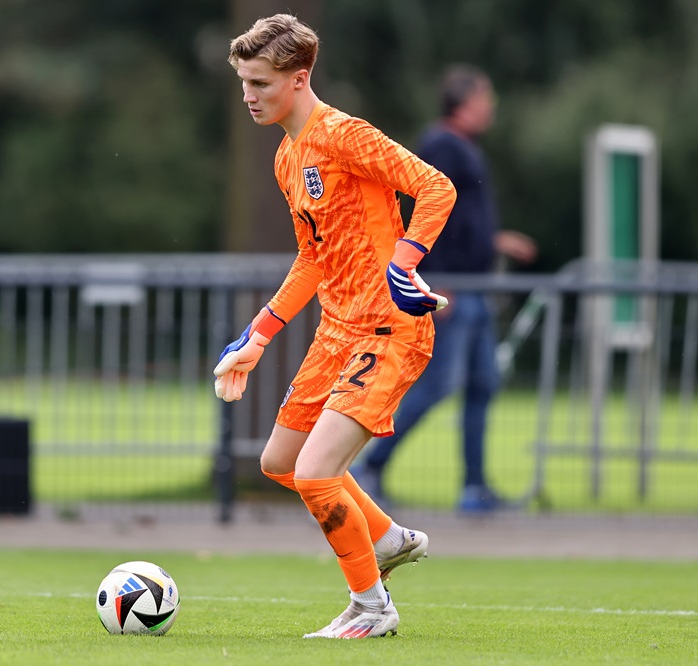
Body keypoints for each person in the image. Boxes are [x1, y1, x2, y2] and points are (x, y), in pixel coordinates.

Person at [215, 15, 456, 639]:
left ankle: (373, 608)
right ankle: (388, 538)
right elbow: (313, 258)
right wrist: (258, 337)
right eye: (243, 81)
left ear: (299, 79)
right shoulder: (286, 155)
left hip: (388, 330)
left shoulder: (344, 134)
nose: (249, 94)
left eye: (261, 83)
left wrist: (405, 263)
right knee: (281, 461)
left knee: (318, 474)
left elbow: (436, 188)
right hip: (338, 330)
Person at [357, 65, 537, 513]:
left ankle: (474, 487)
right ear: (464, 102)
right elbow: (425, 211)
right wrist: (431, 278)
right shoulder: (442, 144)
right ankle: (369, 467)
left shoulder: (462, 148)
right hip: (454, 288)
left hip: (472, 286)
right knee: (438, 385)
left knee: (483, 385)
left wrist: (495, 241)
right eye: (485, 98)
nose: (491, 107)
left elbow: (461, 223)